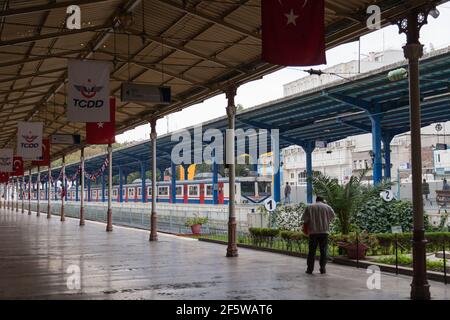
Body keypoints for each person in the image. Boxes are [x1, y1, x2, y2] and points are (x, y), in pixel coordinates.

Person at [301, 196, 335, 274]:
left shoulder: (309, 207)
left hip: (313, 233)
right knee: (323, 251)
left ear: (316, 200)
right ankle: (322, 268)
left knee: (311, 251)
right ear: (323, 201)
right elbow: (332, 216)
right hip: (324, 232)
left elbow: (305, 221)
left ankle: (310, 269)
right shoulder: (327, 207)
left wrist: (305, 230)